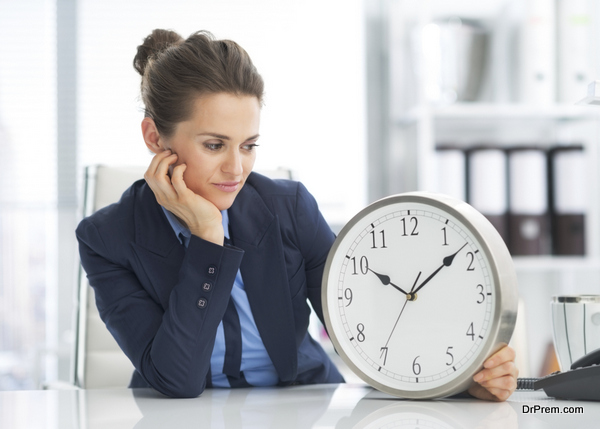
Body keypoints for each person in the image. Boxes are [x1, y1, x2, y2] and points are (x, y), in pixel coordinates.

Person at [76, 29, 518, 400]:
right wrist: (209, 239)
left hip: (304, 406)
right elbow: (177, 380)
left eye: (249, 145)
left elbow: (375, 336)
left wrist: (461, 383)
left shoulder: (287, 207)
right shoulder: (107, 238)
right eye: (215, 145)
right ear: (155, 137)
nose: (236, 169)